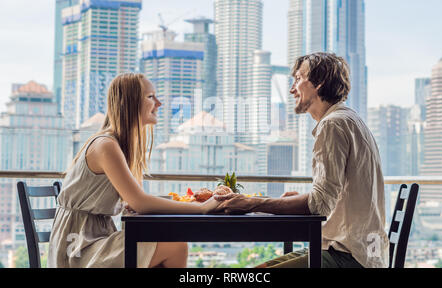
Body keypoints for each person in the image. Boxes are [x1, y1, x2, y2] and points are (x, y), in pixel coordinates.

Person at [214, 52, 389, 268]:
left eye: (298, 79)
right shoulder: (349, 119)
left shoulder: (332, 125)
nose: (291, 89)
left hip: (347, 256)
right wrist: (298, 201)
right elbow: (334, 195)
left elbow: (319, 205)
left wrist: (253, 202)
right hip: (355, 250)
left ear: (319, 83)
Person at [48, 73, 219, 268]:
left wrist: (132, 204)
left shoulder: (118, 145)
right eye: (150, 97)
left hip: (92, 240)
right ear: (130, 103)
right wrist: (202, 208)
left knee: (171, 241)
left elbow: (136, 202)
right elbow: (140, 203)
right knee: (176, 246)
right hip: (79, 249)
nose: (159, 103)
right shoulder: (106, 145)